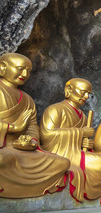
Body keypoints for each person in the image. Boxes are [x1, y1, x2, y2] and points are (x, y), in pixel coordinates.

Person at [0, 53, 69, 198]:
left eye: (28, 71)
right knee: (3, 160)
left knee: (62, 163)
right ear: (2, 67)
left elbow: (32, 126)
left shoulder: (27, 99)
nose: (24, 74)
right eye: (19, 69)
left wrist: (31, 141)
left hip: (19, 149)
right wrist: (13, 128)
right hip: (3, 148)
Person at [40, 78, 101, 203]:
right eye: (83, 92)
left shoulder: (83, 117)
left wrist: (85, 143)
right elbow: (47, 134)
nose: (86, 96)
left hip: (76, 153)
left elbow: (80, 143)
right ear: (69, 90)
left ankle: (90, 196)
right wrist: (81, 133)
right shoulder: (55, 109)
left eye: (88, 94)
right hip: (59, 152)